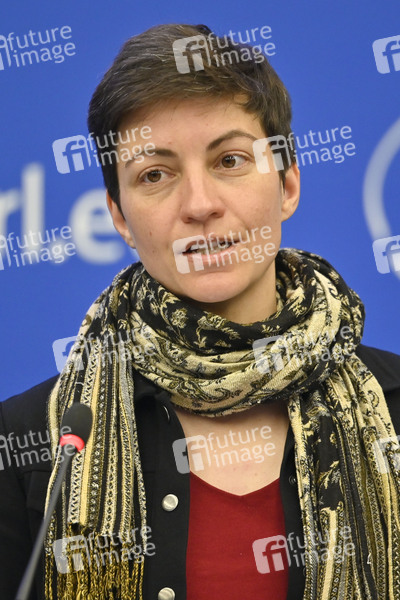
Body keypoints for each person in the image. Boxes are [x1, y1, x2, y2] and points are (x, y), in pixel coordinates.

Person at [1, 22, 400, 600]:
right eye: (155, 175)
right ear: (119, 217)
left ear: (287, 184)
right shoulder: (34, 442)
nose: (199, 204)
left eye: (230, 160)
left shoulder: (393, 407)